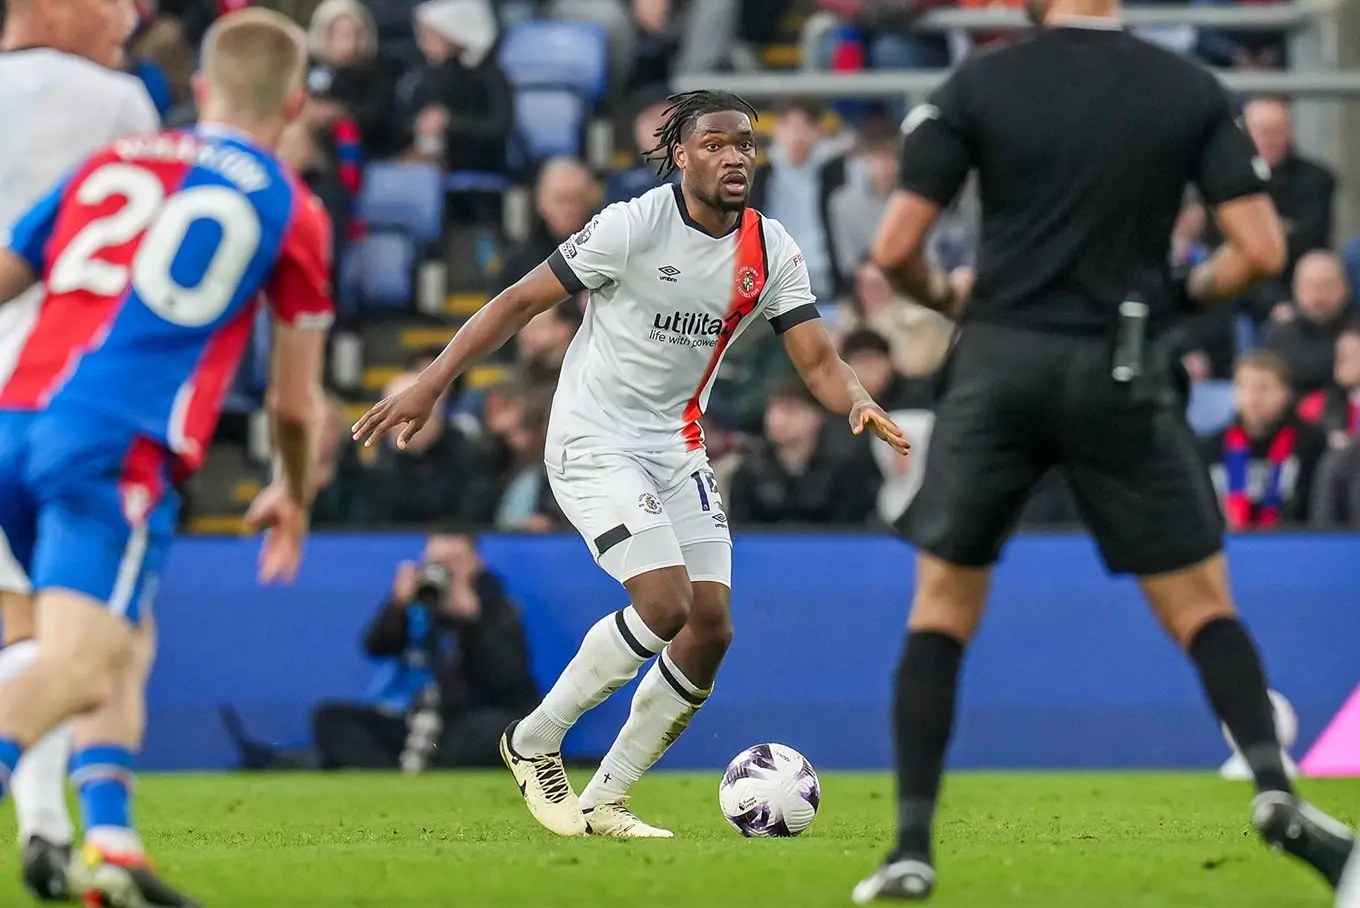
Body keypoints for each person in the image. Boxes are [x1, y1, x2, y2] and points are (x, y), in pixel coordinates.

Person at [850, 0, 1357, 901]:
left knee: (941, 607)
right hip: (1120, 364)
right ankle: (1278, 795)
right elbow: (1261, 248)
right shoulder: (1188, 87)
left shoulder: (977, 82)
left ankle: (911, 851)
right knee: (1200, 604)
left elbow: (895, 250)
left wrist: (956, 299)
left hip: (1000, 361)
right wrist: (1178, 294)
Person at [353, 89, 909, 839]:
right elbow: (520, 302)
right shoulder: (632, 226)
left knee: (709, 630)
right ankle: (534, 739)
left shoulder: (771, 248)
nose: (735, 155)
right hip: (592, 439)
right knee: (665, 603)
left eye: (745, 143)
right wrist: (430, 381)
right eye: (715, 144)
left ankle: (607, 797)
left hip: (675, 446)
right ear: (680, 154)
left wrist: (854, 398)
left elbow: (815, 356)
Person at [0, 9, 333, 905]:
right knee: (72, 663)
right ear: (296, 101)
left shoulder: (113, 163)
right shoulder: (291, 208)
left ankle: (113, 847)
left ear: (195, 91)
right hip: (116, 447)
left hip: (16, 422)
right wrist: (292, 492)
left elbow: (7, 275)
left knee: (122, 639)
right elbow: (295, 405)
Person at [0, 0, 161, 896]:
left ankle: (51, 833)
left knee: (24, 623)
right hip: (67, 397)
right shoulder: (114, 101)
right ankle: (77, 834)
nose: (130, 16)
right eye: (111, 1)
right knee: (104, 632)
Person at [312, 534, 540, 770]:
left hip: (468, 716)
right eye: (436, 562)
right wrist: (397, 606)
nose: (445, 569)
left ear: (476, 562)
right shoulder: (416, 606)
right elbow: (375, 646)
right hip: (413, 715)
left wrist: (473, 621)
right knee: (330, 718)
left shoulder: (496, 605)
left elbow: (505, 676)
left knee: (497, 731)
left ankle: (428, 765)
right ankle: (387, 776)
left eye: (454, 561)